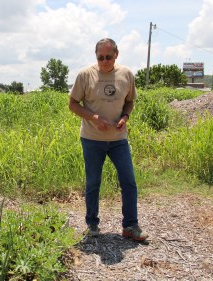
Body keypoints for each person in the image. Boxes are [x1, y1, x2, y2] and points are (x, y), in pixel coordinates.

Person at [69, 38, 148, 241]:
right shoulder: (85, 75)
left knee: (129, 181)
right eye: (100, 57)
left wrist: (125, 117)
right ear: (96, 56)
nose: (104, 61)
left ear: (116, 54)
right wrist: (94, 118)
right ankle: (92, 224)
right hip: (91, 139)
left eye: (108, 57)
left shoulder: (126, 75)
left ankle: (130, 226)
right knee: (93, 182)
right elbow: (73, 104)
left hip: (118, 139)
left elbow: (129, 102)